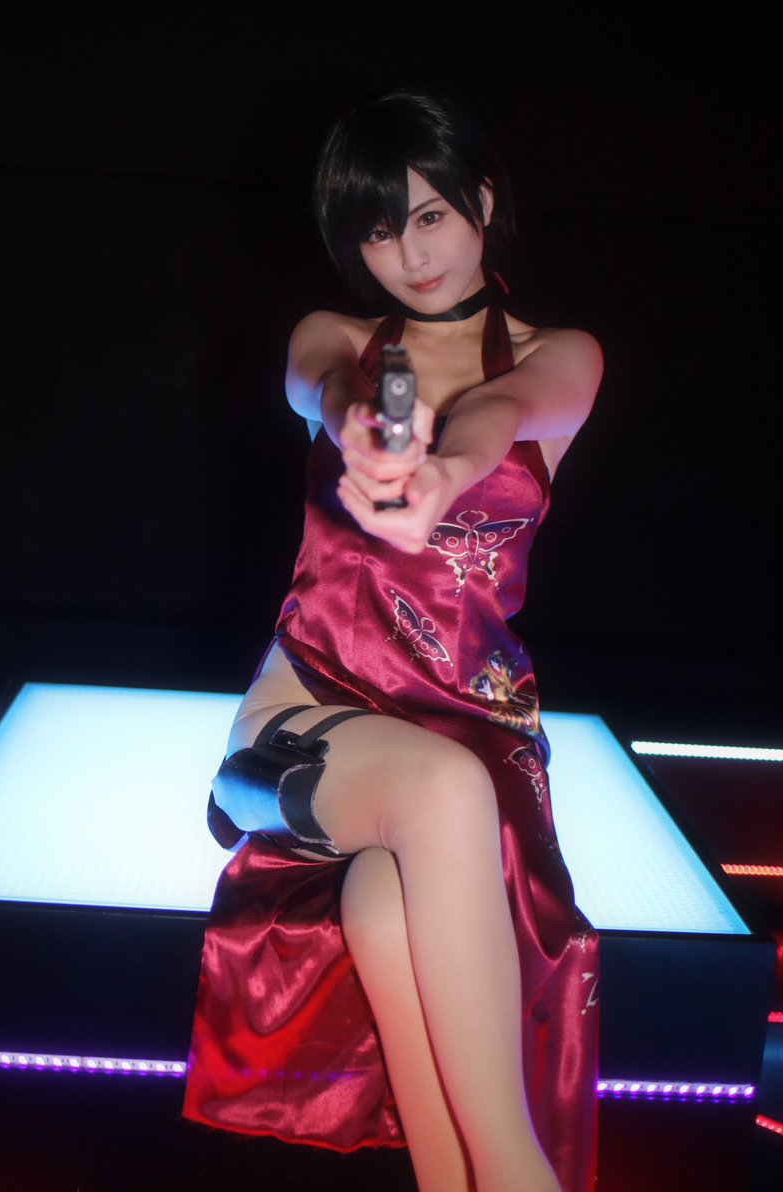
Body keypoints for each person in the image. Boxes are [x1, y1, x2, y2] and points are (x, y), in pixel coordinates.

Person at [184, 90, 603, 1192]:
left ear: (482, 202)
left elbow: (506, 409)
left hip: (476, 731)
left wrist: (448, 470)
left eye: (429, 216)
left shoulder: (561, 355)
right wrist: (363, 428)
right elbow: (322, 384)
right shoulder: (335, 341)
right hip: (299, 728)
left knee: (387, 900)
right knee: (439, 795)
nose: (409, 254)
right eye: (378, 230)